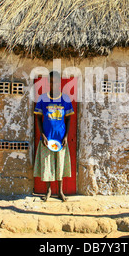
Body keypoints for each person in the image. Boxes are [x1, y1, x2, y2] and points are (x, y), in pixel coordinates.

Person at [33, 71, 74, 201]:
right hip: (47, 138)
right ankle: (49, 191)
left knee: (60, 165)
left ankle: (60, 192)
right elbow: (38, 118)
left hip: (60, 139)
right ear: (48, 83)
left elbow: (68, 119)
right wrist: (42, 135)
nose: (53, 84)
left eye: (55, 81)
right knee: (47, 165)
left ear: (59, 83)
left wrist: (66, 136)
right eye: (50, 81)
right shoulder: (42, 98)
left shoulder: (65, 99)